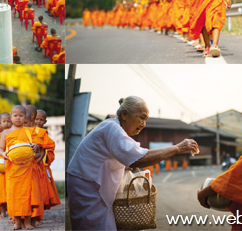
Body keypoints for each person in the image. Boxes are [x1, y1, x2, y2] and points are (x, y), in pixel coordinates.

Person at [67, 96, 199, 231]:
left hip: (89, 182)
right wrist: (177, 148)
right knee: (95, 225)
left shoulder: (112, 127)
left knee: (102, 224)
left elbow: (119, 157)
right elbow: (139, 158)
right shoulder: (112, 128)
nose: (144, 124)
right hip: (87, 184)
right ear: (125, 114)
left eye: (146, 120)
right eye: (142, 118)